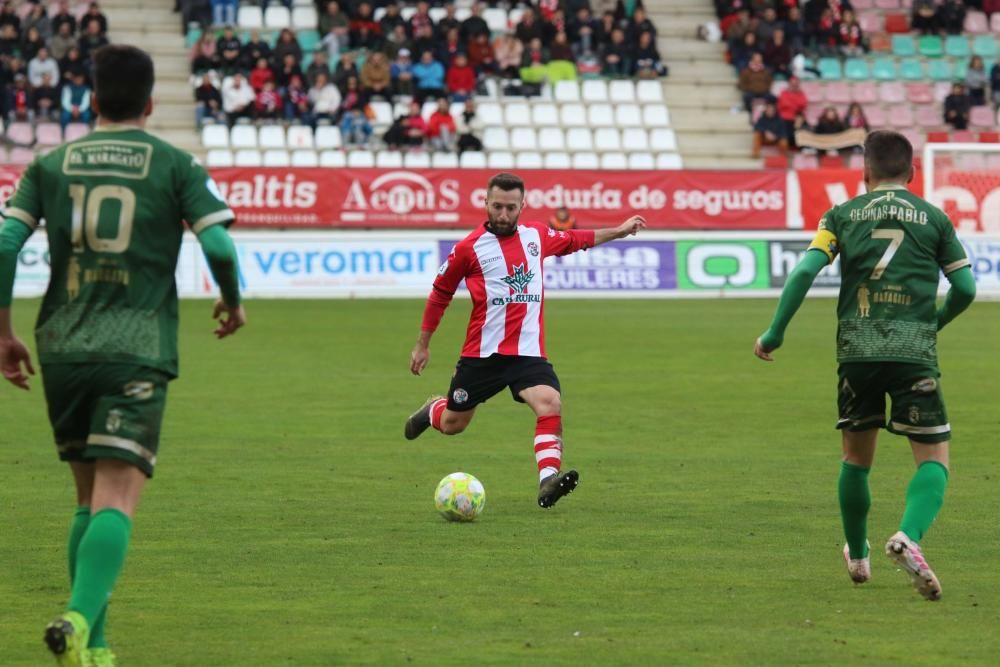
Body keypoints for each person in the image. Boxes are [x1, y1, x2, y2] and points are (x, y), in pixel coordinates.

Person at [0, 44, 245, 667]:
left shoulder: (50, 164)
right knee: (117, 497)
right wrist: (231, 300)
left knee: (86, 497)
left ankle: (96, 646)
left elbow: (5, 245)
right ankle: (79, 618)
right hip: (136, 348)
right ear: (150, 102)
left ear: (90, 98)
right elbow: (217, 244)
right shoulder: (173, 164)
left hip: (61, 345)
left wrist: (3, 332)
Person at [754, 130, 976, 602]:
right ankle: (909, 537)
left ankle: (858, 555)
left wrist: (774, 333)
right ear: (912, 173)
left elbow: (803, 272)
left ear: (865, 172)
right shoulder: (935, 219)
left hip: (857, 348)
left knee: (856, 459)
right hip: (913, 349)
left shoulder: (841, 215)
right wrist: (933, 322)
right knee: (933, 457)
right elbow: (967, 289)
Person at [404, 173, 647, 509]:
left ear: (522, 206)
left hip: (527, 354)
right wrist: (422, 344)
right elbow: (440, 293)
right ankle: (434, 409)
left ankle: (548, 478)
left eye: (511, 208)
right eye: (498, 206)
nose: (503, 214)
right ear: (486, 203)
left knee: (550, 402)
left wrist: (619, 231)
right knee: (453, 424)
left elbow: (578, 239)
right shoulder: (468, 249)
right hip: (483, 356)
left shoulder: (537, 236)